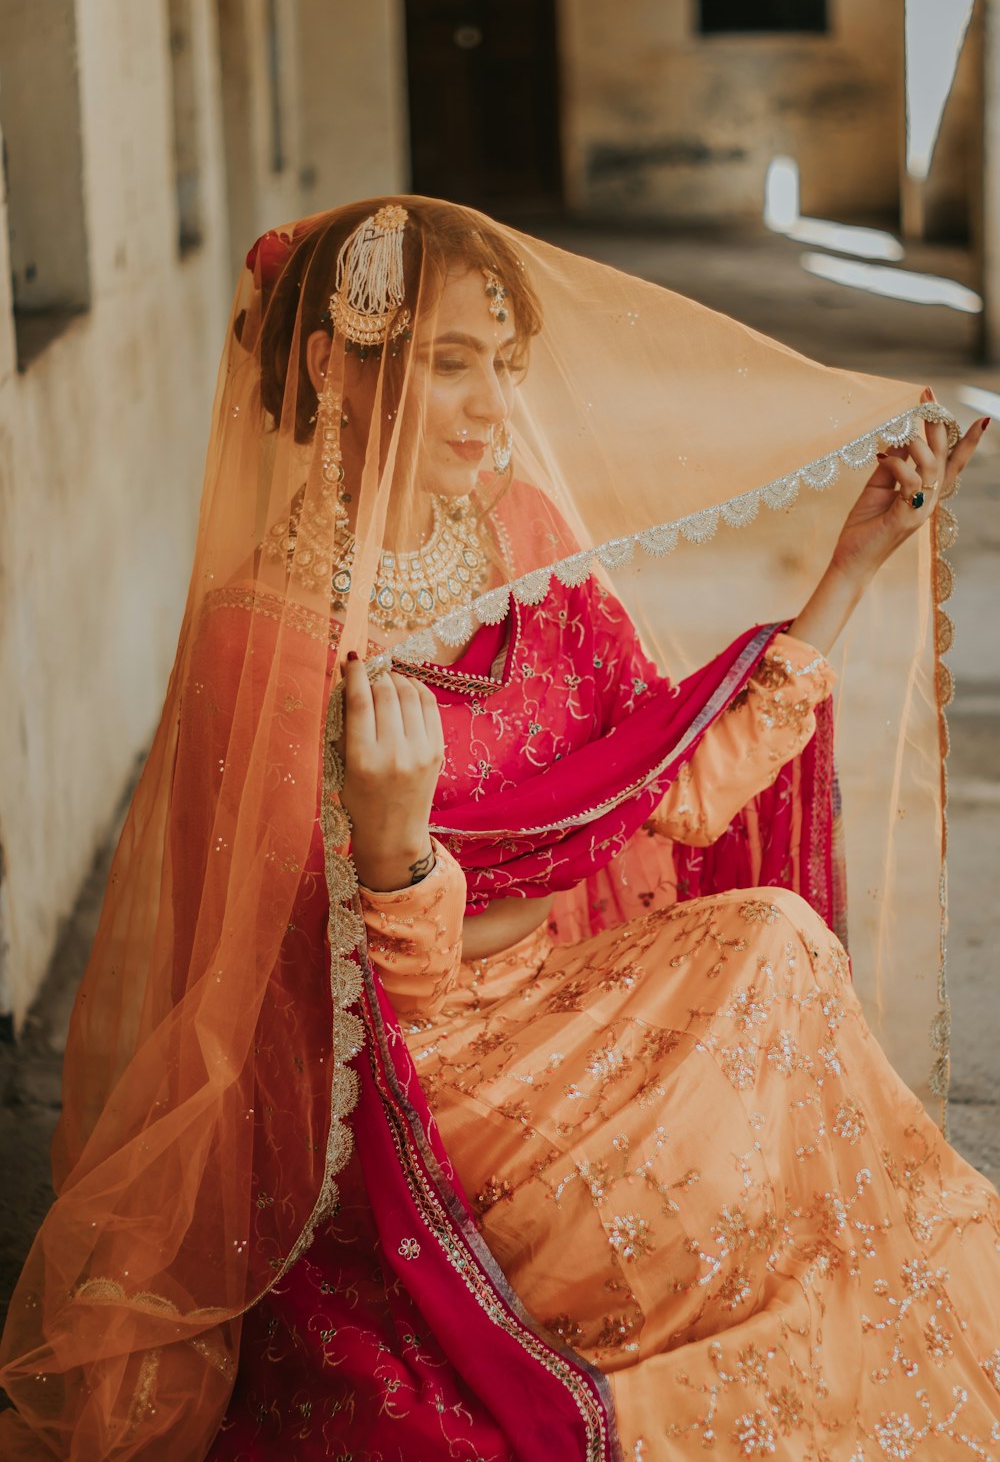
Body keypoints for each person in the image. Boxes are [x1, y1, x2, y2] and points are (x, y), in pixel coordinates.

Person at [1, 197, 997, 1460]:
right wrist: (400, 854)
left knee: (773, 940)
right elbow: (320, 1000)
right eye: (450, 363)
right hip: (413, 1091)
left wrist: (848, 567)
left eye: (504, 367)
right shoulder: (268, 640)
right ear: (332, 367)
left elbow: (667, 787)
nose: (491, 408)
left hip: (553, 988)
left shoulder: (520, 539)